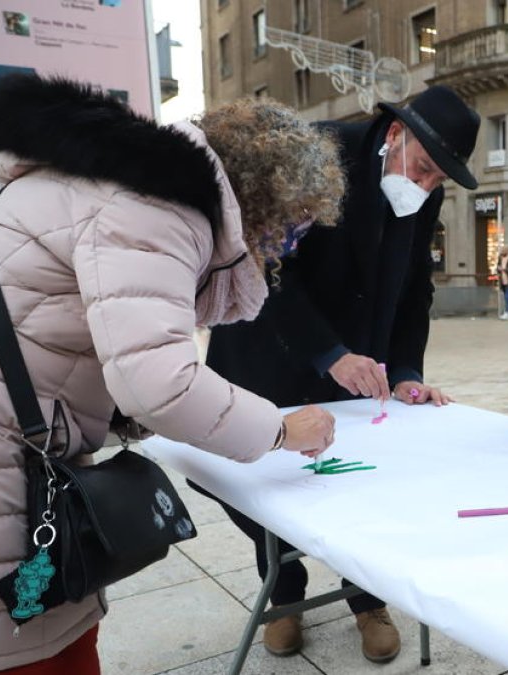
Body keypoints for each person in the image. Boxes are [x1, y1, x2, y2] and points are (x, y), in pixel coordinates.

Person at [0, 75, 340, 673]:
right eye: (292, 226)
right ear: (266, 198)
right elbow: (161, 382)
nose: (285, 245)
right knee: (26, 645)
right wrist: (281, 430)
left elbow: (65, 333)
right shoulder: (156, 206)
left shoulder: (107, 184)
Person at [201, 84, 481, 663]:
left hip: (360, 362)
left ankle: (367, 599)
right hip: (274, 350)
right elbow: (268, 265)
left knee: (365, 484)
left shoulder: (418, 194)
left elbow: (414, 291)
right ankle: (283, 591)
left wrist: (405, 371)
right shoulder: (318, 153)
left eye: (438, 180)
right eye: (423, 169)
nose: (426, 186)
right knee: (274, 479)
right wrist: (328, 351)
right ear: (396, 134)